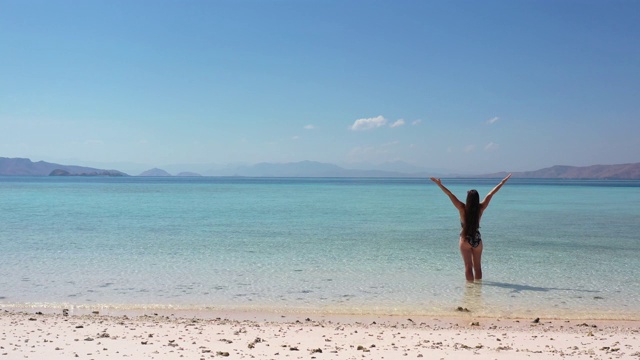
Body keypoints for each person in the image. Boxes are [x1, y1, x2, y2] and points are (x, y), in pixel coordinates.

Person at [430, 174, 512, 282]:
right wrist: (502, 182)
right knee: (477, 267)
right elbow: (491, 193)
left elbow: (449, 194)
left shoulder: (461, 208)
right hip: (477, 240)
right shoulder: (481, 208)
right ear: (477, 199)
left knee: (468, 267)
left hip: (465, 239)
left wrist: (439, 184)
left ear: (468, 199)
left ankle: (470, 292)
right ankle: (478, 291)